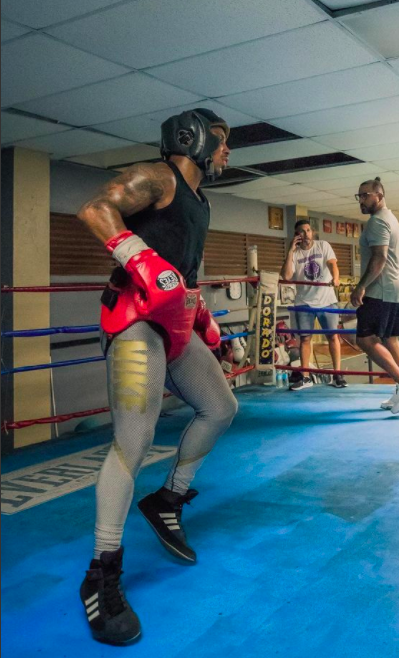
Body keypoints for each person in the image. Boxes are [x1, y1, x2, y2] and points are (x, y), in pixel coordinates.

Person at [75, 109, 239, 645]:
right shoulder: (158, 177)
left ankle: (168, 499)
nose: (226, 153)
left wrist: (207, 321)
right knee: (135, 437)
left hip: (174, 322)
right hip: (134, 322)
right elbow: (97, 208)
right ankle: (102, 573)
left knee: (221, 408)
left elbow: (184, 273)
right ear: (196, 139)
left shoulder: (201, 202)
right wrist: (138, 256)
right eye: (222, 143)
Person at [350, 177, 399, 414]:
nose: (361, 200)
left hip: (381, 291)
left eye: (365, 195)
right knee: (391, 338)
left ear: (379, 196)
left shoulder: (377, 222)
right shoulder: (391, 217)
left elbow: (379, 258)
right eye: (359, 196)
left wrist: (361, 286)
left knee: (365, 339)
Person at [281, 218, 346, 390]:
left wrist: (336, 278)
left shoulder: (323, 245)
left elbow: (332, 264)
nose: (306, 234)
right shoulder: (295, 254)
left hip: (327, 300)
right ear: (297, 235)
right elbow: (286, 276)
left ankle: (337, 375)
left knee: (333, 336)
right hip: (304, 302)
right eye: (302, 231)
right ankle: (306, 376)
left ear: (312, 232)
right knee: (305, 339)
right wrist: (290, 251)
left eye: (308, 230)